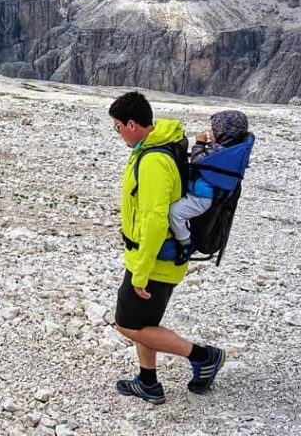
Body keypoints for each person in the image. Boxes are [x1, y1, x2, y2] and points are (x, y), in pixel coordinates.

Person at [109, 90, 225, 404]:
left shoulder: (154, 160)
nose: (118, 133)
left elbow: (156, 219)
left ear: (131, 124)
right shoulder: (157, 145)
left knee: (127, 325)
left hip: (154, 261)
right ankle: (148, 382)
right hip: (152, 257)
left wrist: (141, 272)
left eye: (118, 126)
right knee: (145, 323)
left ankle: (203, 356)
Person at [168, 110, 250, 265]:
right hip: (204, 194)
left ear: (224, 133)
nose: (210, 133)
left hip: (201, 198)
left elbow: (197, 161)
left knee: (174, 213)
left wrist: (199, 144)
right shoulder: (230, 150)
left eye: (213, 130)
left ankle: (185, 244)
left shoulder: (218, 151)